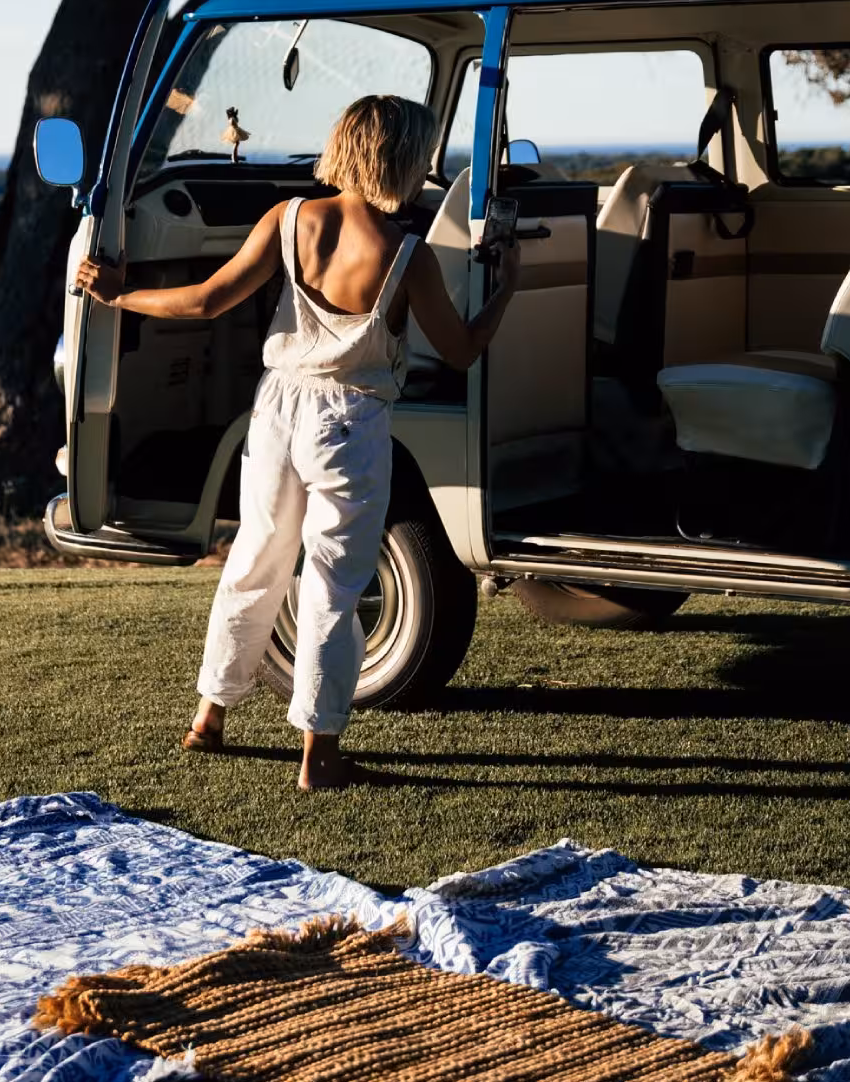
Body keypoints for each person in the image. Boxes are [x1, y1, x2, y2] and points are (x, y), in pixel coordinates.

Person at [75, 93, 522, 791]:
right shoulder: (408, 256)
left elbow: (203, 300)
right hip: (351, 421)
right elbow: (462, 351)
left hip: (276, 409)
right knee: (333, 586)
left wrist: (118, 295)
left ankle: (209, 717)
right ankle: (321, 752)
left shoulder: (287, 220)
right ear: (402, 159)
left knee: (254, 561)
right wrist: (507, 289)